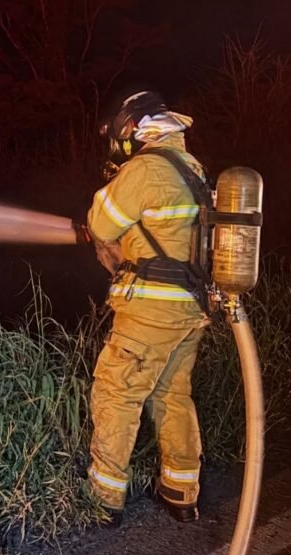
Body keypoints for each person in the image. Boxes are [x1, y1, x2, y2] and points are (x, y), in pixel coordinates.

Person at [75, 89, 211, 525]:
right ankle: (181, 489)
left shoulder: (147, 169)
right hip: (190, 306)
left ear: (133, 128)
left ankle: (103, 497)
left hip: (151, 309)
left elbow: (100, 223)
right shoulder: (191, 167)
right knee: (173, 394)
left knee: (118, 391)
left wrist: (116, 180)